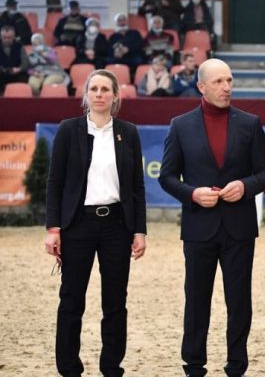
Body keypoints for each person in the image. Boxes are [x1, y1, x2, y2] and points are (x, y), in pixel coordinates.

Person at [159, 59, 265, 377]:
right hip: (198, 227)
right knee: (196, 300)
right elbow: (166, 177)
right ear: (201, 87)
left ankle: (236, 366)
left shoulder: (250, 123)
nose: (227, 87)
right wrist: (192, 193)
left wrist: (246, 186)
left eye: (230, 80)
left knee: (239, 303)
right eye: (219, 81)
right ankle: (194, 365)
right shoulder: (180, 125)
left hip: (239, 228)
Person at [44, 68, 147, 376]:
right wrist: (53, 228)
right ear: (85, 94)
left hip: (117, 225)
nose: (100, 94)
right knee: (72, 299)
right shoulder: (67, 130)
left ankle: (111, 367)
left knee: (115, 302)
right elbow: (54, 182)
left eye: (106, 89)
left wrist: (140, 230)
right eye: (94, 89)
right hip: (78, 225)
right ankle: (69, 368)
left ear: (116, 96)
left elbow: (137, 186)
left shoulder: (128, 132)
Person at [0, 25, 30, 94]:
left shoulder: (19, 46)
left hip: (16, 73)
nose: (6, 40)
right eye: (4, 37)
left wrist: (19, 69)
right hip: (1, 74)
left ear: (14, 37)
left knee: (24, 78)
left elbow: (25, 63)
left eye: (9, 38)